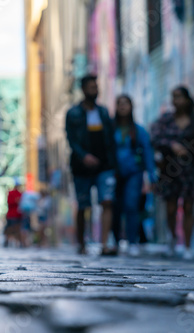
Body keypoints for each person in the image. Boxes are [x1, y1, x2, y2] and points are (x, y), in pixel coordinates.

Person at [151, 86, 194, 260]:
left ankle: (187, 246)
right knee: (170, 208)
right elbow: (155, 137)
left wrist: (193, 152)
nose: (175, 100)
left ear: (186, 99)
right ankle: (172, 238)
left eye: (179, 97)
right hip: (169, 170)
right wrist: (172, 145)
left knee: (189, 208)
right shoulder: (165, 120)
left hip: (191, 171)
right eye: (173, 97)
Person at [65, 75, 118, 255]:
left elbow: (110, 140)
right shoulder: (73, 113)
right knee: (83, 205)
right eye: (90, 87)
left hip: (104, 166)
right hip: (81, 167)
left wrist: (112, 163)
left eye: (96, 87)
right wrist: (84, 156)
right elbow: (71, 140)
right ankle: (82, 243)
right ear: (83, 89)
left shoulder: (103, 112)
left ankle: (104, 244)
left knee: (107, 201)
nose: (94, 90)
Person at [112, 95, 157, 257]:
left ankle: (132, 241)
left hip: (134, 173)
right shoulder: (110, 128)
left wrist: (152, 176)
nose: (123, 107)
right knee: (114, 207)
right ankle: (115, 240)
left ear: (131, 107)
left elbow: (147, 153)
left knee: (131, 205)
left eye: (126, 104)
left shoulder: (138, 131)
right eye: (120, 103)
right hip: (113, 173)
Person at [5, 182, 23, 247]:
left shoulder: (20, 193)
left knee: (17, 228)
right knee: (10, 229)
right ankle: (7, 241)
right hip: (11, 215)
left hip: (17, 214)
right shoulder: (11, 193)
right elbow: (9, 202)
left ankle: (18, 242)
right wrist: (16, 201)